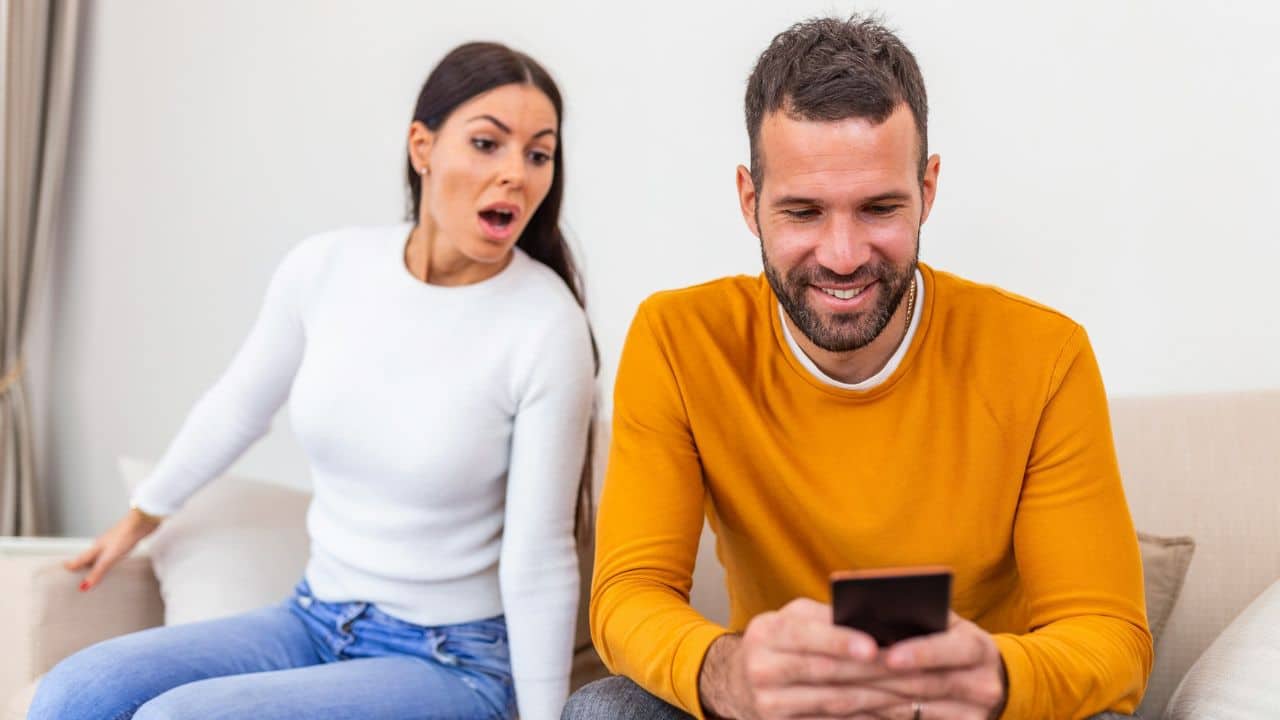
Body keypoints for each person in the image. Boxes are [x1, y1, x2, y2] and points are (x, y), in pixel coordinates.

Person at [566, 15, 1150, 720]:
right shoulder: (679, 341)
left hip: (968, 712)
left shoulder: (1045, 355)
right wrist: (728, 675)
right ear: (750, 201)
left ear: (927, 189)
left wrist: (994, 677)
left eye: (878, 208)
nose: (842, 256)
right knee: (607, 709)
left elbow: (1110, 638)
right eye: (803, 212)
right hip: (781, 713)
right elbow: (629, 593)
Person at [31, 41, 595, 720]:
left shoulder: (546, 325)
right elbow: (239, 406)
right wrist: (142, 515)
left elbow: (539, 557)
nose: (515, 175)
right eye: (486, 143)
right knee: (75, 692)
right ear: (422, 146)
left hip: (453, 661)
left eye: (538, 154)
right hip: (312, 618)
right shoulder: (328, 268)